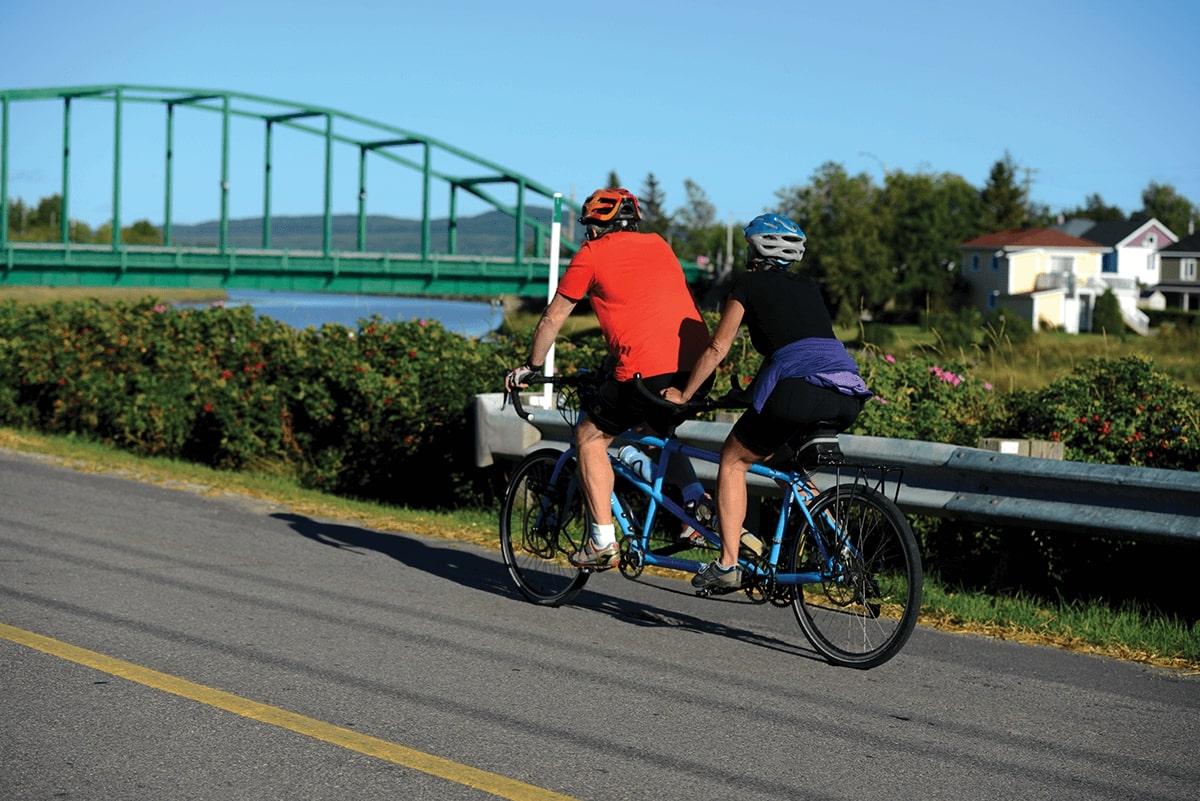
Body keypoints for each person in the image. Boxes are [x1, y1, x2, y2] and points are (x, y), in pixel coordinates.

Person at [662, 213, 872, 590]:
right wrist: (749, 394)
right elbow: (796, 349)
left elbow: (717, 346)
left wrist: (684, 393)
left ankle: (728, 564)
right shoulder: (809, 287)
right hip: (846, 391)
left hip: (799, 392)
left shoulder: (748, 283)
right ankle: (841, 550)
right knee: (787, 466)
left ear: (757, 249)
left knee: (732, 461)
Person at [505, 187, 713, 569]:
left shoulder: (592, 255)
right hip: (698, 367)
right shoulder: (659, 244)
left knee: (589, 436)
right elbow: (647, 307)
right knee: (656, 430)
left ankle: (602, 540)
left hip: (647, 372)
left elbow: (553, 318)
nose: (588, 235)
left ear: (601, 226)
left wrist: (531, 367)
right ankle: (696, 503)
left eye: (591, 228)